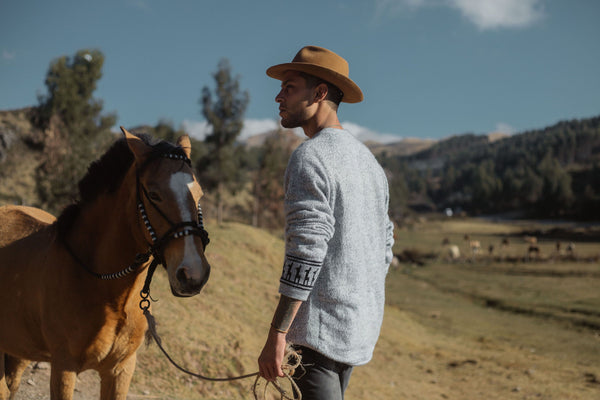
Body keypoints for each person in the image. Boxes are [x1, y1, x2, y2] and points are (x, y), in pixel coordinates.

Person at [257, 45, 395, 400]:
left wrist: (277, 333)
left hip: (316, 338)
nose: (278, 96)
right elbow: (386, 244)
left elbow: (306, 252)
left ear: (319, 94)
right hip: (357, 330)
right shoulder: (369, 164)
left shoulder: (310, 157)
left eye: (289, 87)